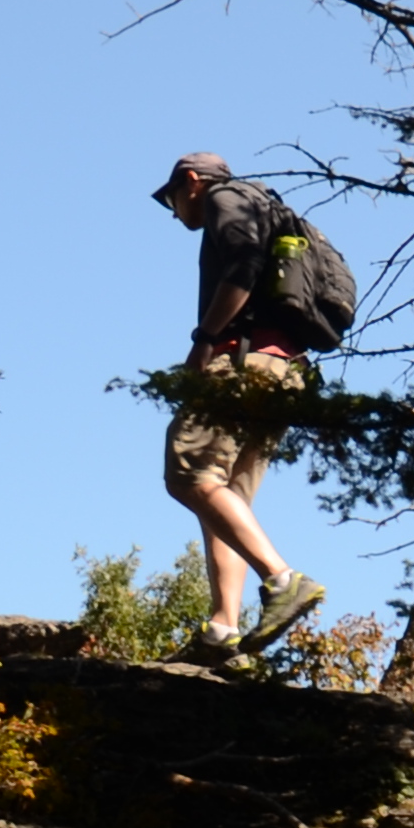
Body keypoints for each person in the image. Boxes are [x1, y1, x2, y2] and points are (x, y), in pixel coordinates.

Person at [148, 151, 330, 657]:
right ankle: (223, 629)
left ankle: (282, 579)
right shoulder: (271, 208)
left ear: (190, 182)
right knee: (226, 498)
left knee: (190, 474)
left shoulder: (227, 198)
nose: (177, 212)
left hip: (241, 362)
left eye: (173, 201)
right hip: (283, 371)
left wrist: (204, 338)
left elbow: (245, 266)